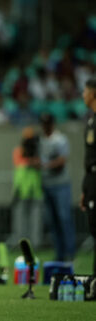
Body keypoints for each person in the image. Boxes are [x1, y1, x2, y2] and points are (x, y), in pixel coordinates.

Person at [39, 113, 75, 261]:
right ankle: (59, 253)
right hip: (47, 184)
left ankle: (70, 253)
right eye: (43, 124)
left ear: (53, 124)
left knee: (64, 218)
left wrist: (46, 165)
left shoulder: (60, 139)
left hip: (61, 185)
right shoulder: (41, 140)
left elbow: (62, 160)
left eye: (47, 124)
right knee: (52, 220)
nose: (45, 127)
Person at [7, 127, 43, 249]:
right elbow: (21, 163)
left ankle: (35, 244)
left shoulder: (38, 151)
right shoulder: (18, 151)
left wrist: (33, 159)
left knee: (35, 219)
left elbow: (39, 165)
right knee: (20, 219)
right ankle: (21, 243)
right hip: (21, 190)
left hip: (35, 190)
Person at [81, 78, 96, 275]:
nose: (83, 95)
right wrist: (86, 188)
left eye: (85, 91)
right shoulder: (91, 121)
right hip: (92, 180)